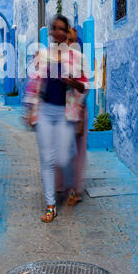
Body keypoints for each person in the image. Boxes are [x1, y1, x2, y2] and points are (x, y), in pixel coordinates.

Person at [24, 15, 90, 222]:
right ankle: (51, 205)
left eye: (63, 29)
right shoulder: (42, 55)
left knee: (62, 157)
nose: (59, 32)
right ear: (51, 32)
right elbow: (34, 83)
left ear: (67, 31)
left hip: (66, 113)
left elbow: (85, 86)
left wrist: (73, 82)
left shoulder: (77, 57)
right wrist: (29, 109)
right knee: (47, 159)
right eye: (55, 28)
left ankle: (71, 187)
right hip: (45, 111)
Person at [55, 27, 89, 205]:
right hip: (60, 111)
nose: (69, 44)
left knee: (76, 152)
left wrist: (71, 83)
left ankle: (75, 190)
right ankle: (60, 186)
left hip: (77, 109)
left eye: (72, 40)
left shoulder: (81, 60)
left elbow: (86, 86)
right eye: (66, 40)